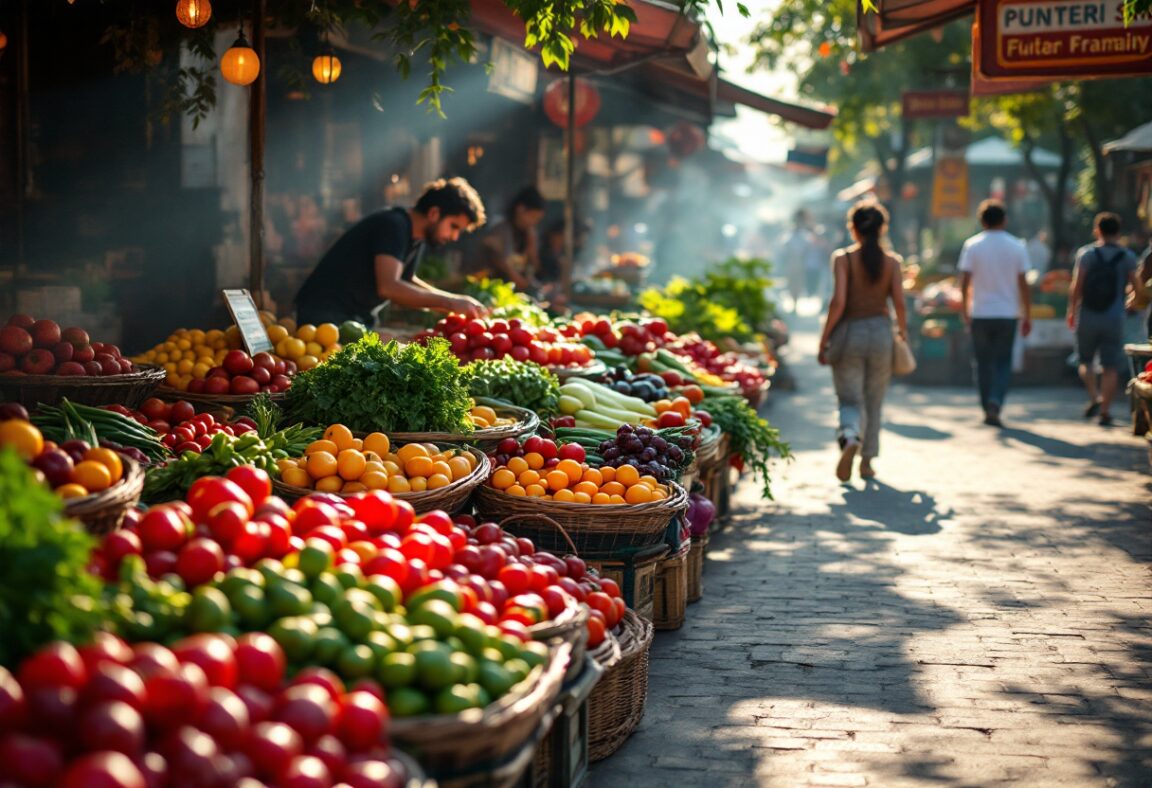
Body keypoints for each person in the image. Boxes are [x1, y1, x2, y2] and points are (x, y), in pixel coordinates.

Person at [294, 177, 488, 326]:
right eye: (454, 226)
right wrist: (451, 302)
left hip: (353, 319)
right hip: (323, 316)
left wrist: (459, 304)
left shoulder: (416, 235)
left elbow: (407, 281)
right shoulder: (393, 225)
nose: (454, 237)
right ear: (434, 213)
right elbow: (389, 287)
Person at [817, 201, 908, 482]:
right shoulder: (893, 262)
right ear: (882, 229)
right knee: (874, 400)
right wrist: (902, 334)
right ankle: (867, 462)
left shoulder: (842, 259)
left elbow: (839, 302)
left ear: (853, 228)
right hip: (882, 333)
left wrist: (824, 340)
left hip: (849, 334)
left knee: (849, 399)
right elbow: (900, 304)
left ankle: (849, 435)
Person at [958, 199, 1032, 428]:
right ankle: (996, 401)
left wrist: (964, 309)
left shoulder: (972, 245)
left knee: (981, 362)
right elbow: (1023, 283)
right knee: (1002, 361)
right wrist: (1027, 314)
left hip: (980, 312)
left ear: (982, 221)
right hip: (1007, 314)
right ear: (1004, 220)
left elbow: (964, 283)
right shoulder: (1017, 246)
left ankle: (986, 405)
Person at [1066, 212, 1141, 427]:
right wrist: (1130, 302)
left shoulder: (1086, 254)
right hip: (1114, 318)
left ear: (1097, 230)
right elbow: (1137, 288)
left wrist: (1072, 311)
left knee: (1085, 361)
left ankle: (1094, 397)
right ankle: (1106, 411)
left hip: (1087, 315)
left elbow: (1077, 286)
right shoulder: (1127, 256)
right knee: (1111, 366)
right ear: (1118, 232)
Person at [465, 186, 547, 290]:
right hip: (483, 287)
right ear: (520, 209)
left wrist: (532, 248)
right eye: (532, 217)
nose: (534, 222)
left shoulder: (527, 236)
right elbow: (502, 263)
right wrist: (524, 285)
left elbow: (534, 269)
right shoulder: (500, 230)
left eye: (537, 219)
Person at [781, 209, 821, 312]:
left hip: (800, 263)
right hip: (792, 263)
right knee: (792, 284)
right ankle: (794, 303)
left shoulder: (804, 234)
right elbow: (786, 248)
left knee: (797, 284)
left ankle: (795, 304)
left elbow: (807, 249)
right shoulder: (790, 234)